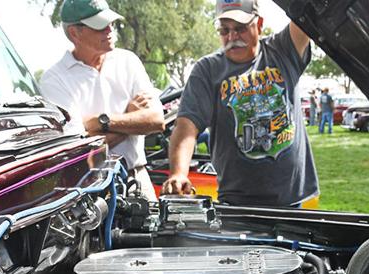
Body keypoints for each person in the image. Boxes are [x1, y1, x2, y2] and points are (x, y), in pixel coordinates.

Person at [162, 0, 319, 208]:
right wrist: (179, 173)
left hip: (294, 200)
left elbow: (304, 15)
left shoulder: (283, 50)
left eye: (240, 29)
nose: (232, 37)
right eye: (224, 30)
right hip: (238, 202)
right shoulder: (208, 69)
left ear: (259, 24)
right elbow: (186, 125)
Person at [39, 0, 165, 200]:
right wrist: (132, 120)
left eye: (110, 23)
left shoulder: (128, 61)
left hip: (136, 179)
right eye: (100, 26)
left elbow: (157, 120)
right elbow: (76, 152)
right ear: (74, 33)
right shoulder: (54, 80)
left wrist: (99, 123)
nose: (109, 30)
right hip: (85, 191)